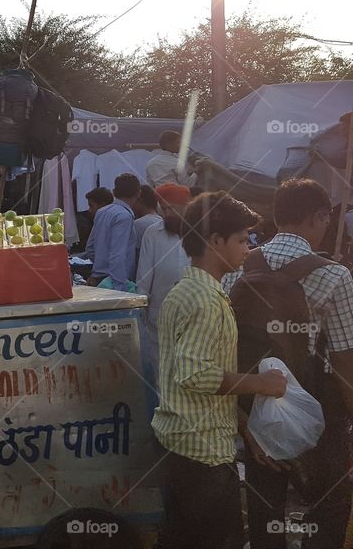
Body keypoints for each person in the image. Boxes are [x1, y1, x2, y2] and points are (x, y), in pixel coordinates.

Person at [223, 179, 353, 549]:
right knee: (330, 498)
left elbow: (225, 344)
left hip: (256, 399)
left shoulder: (239, 264)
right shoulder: (334, 274)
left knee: (267, 500)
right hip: (314, 400)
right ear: (319, 217)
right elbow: (345, 357)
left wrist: (241, 417)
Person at [152, 191, 286, 549]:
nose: (248, 247)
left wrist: (244, 429)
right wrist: (263, 383)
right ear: (215, 241)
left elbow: (192, 374)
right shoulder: (206, 301)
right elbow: (195, 375)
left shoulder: (184, 291)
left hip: (179, 443)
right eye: (243, 240)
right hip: (203, 455)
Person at [136, 183, 192, 367]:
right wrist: (142, 305)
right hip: (159, 317)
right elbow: (144, 275)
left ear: (187, 206)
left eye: (172, 209)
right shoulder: (153, 233)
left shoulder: (201, 232)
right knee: (162, 370)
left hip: (194, 316)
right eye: (164, 208)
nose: (167, 213)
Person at [87, 174, 141, 291]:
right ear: (138, 193)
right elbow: (118, 254)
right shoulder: (124, 216)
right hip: (115, 282)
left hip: (99, 279)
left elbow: (90, 247)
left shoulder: (101, 212)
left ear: (114, 192)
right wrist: (119, 287)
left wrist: (100, 265)